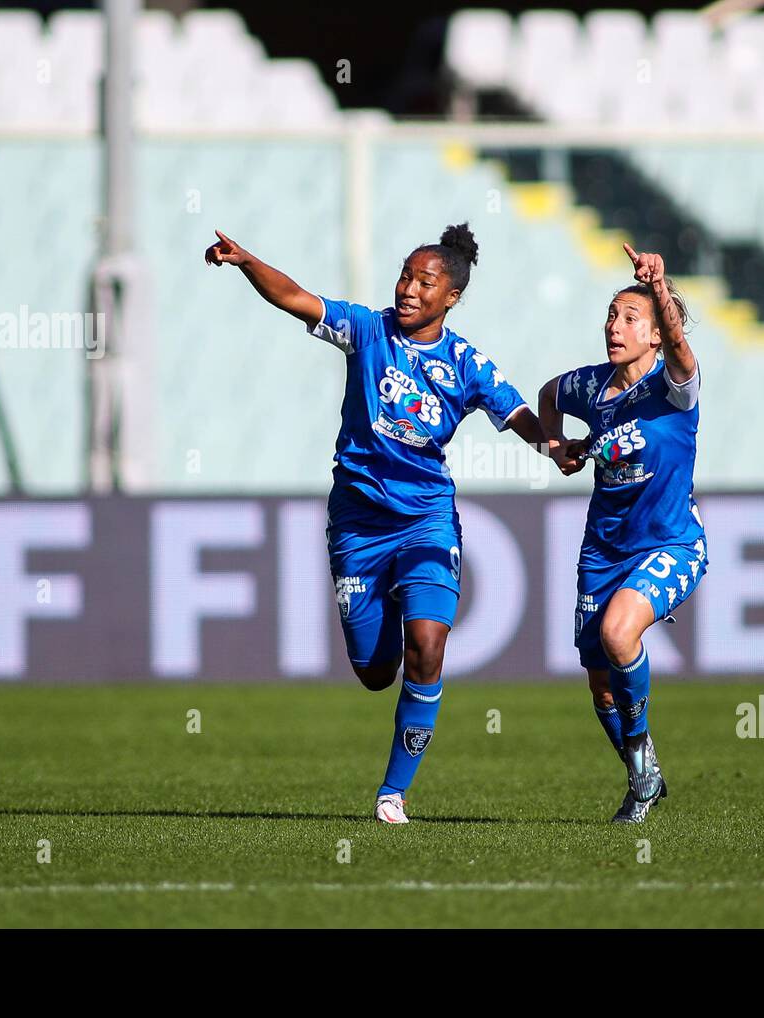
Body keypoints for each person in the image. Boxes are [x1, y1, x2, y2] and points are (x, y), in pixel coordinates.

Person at [206, 222, 551, 823]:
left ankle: (393, 793)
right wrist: (246, 261)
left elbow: (515, 409)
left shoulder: (466, 363)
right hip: (359, 525)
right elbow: (294, 297)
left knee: (428, 645)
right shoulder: (368, 331)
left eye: (426, 281)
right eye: (405, 275)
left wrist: (551, 445)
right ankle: (389, 609)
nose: (410, 289)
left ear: (452, 297)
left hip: (425, 521)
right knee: (374, 671)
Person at [538, 242, 706, 823]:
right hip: (603, 550)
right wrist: (555, 446)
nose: (616, 325)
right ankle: (646, 775)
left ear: (656, 335)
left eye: (631, 318)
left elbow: (684, 349)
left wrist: (659, 289)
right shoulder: (592, 387)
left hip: (671, 544)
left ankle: (639, 772)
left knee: (617, 633)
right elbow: (549, 396)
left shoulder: (674, 388)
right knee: (602, 688)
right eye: (612, 314)